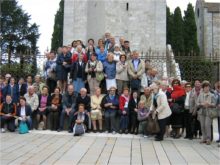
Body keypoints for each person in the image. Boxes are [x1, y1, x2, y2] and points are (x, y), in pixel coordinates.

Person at [197, 81, 216, 145]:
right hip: (202, 111)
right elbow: (197, 103)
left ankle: (208, 139)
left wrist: (209, 104)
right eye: (205, 87)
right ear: (203, 88)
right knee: (202, 126)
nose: (206, 88)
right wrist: (201, 104)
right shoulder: (200, 94)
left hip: (209, 112)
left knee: (207, 125)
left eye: (207, 87)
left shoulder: (212, 95)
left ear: (209, 88)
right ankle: (204, 138)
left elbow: (214, 104)